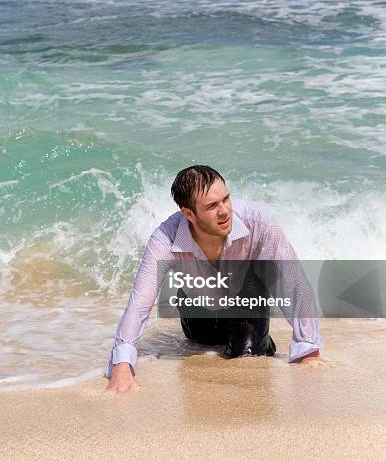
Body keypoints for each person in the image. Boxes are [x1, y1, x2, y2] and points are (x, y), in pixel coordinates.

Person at [105, 165, 323, 393]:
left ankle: (259, 343)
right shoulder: (164, 238)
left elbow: (293, 282)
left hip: (246, 299)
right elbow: (140, 303)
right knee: (201, 346)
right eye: (211, 206)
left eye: (226, 199)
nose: (224, 211)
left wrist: (308, 350)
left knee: (247, 362)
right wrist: (121, 367)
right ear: (188, 214)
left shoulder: (257, 220)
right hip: (198, 309)